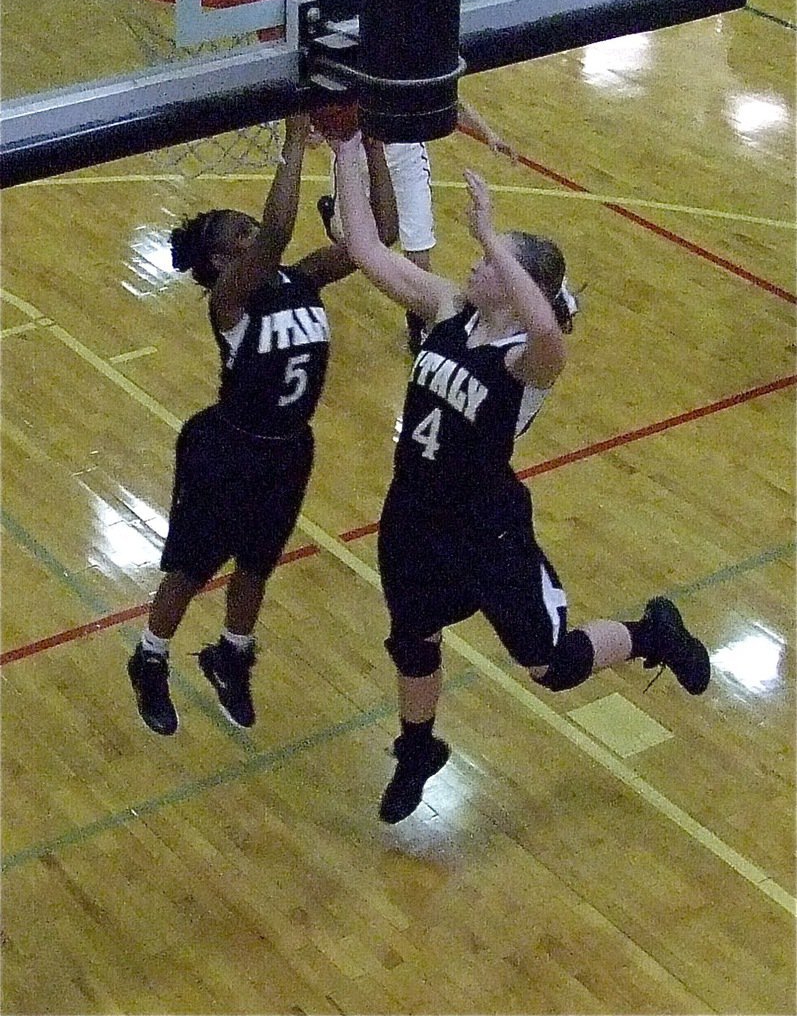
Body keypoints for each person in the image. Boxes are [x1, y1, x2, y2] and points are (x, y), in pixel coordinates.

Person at [334, 133, 711, 824]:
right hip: (412, 511)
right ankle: (417, 748)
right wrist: (347, 145)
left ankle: (652, 634)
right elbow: (363, 247)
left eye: (487, 262)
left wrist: (490, 231)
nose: (474, 268)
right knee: (411, 637)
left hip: (486, 530)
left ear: (519, 284)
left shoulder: (526, 362)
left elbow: (550, 335)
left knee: (552, 667)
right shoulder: (449, 311)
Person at [127, 116, 398, 736]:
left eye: (252, 228)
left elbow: (379, 237)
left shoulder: (301, 278)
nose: (258, 234)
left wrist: (371, 149)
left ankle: (231, 653)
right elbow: (277, 229)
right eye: (243, 234)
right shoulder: (229, 303)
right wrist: (294, 139)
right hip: (226, 449)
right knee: (191, 570)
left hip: (288, 449)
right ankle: (149, 657)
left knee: (255, 567)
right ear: (222, 260)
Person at [315, 99, 518, 355]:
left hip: (406, 160)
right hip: (356, 154)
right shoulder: (355, 66)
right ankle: (332, 218)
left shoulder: (408, 66)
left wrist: (489, 134)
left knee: (419, 257)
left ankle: (418, 326)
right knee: (350, 244)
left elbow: (448, 102)